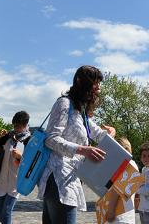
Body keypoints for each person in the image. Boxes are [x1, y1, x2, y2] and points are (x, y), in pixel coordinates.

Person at [39, 65, 116, 224]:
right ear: (81, 81)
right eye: (95, 83)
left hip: (69, 178)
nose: (98, 88)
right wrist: (82, 150)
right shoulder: (64, 104)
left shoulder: (80, 111)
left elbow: (100, 135)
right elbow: (51, 138)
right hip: (58, 179)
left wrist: (111, 133)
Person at [0, 111, 31, 224]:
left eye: (18, 126)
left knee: (7, 211)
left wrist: (20, 156)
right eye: (14, 126)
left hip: (16, 182)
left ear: (25, 125)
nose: (16, 128)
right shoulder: (9, 136)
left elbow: (31, 162)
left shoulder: (30, 140)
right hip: (2, 180)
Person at [101, 137, 138, 224]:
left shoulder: (127, 165)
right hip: (125, 214)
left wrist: (110, 210)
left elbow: (117, 190)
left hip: (120, 215)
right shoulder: (131, 164)